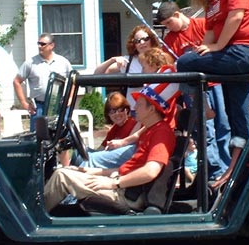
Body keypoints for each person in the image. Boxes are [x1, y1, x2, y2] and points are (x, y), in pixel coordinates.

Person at [176, 0, 249, 188]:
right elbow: (209, 32)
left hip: (245, 51)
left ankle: (201, 106)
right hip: (232, 55)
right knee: (238, 116)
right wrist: (203, 50)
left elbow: (236, 16)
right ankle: (236, 174)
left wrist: (215, 48)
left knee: (183, 63)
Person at [44, 78, 180, 213]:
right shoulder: (150, 130)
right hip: (122, 186)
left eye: (139, 104)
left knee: (61, 176)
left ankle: (35, 219)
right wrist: (91, 171)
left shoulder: (161, 133)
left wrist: (114, 183)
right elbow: (125, 169)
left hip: (126, 193)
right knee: (66, 172)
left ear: (151, 109)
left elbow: (151, 171)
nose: (134, 108)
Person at [157, 0, 232, 179]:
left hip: (216, 83)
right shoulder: (169, 40)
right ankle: (215, 171)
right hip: (193, 90)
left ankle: (228, 167)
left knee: (223, 125)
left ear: (177, 15)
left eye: (168, 23)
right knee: (205, 130)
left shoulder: (203, 25)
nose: (168, 28)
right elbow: (168, 65)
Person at [61, 91, 139, 168]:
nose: (117, 114)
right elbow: (100, 149)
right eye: (112, 111)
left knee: (80, 159)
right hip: (109, 160)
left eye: (120, 109)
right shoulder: (114, 129)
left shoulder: (134, 125)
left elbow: (128, 151)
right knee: (78, 154)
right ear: (108, 115)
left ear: (127, 110)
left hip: (120, 165)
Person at [14, 33, 72, 131]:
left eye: (42, 44)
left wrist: (69, 98)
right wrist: (24, 103)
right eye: (38, 43)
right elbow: (16, 81)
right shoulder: (30, 63)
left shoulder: (63, 62)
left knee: (62, 134)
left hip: (59, 105)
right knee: (37, 137)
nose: (39, 46)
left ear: (52, 45)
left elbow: (73, 80)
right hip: (39, 106)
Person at [94, 25, 161, 109]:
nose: (142, 43)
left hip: (157, 110)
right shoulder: (128, 61)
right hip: (135, 111)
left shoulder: (161, 58)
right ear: (134, 44)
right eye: (137, 41)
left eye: (146, 39)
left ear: (152, 39)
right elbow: (97, 74)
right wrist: (112, 60)